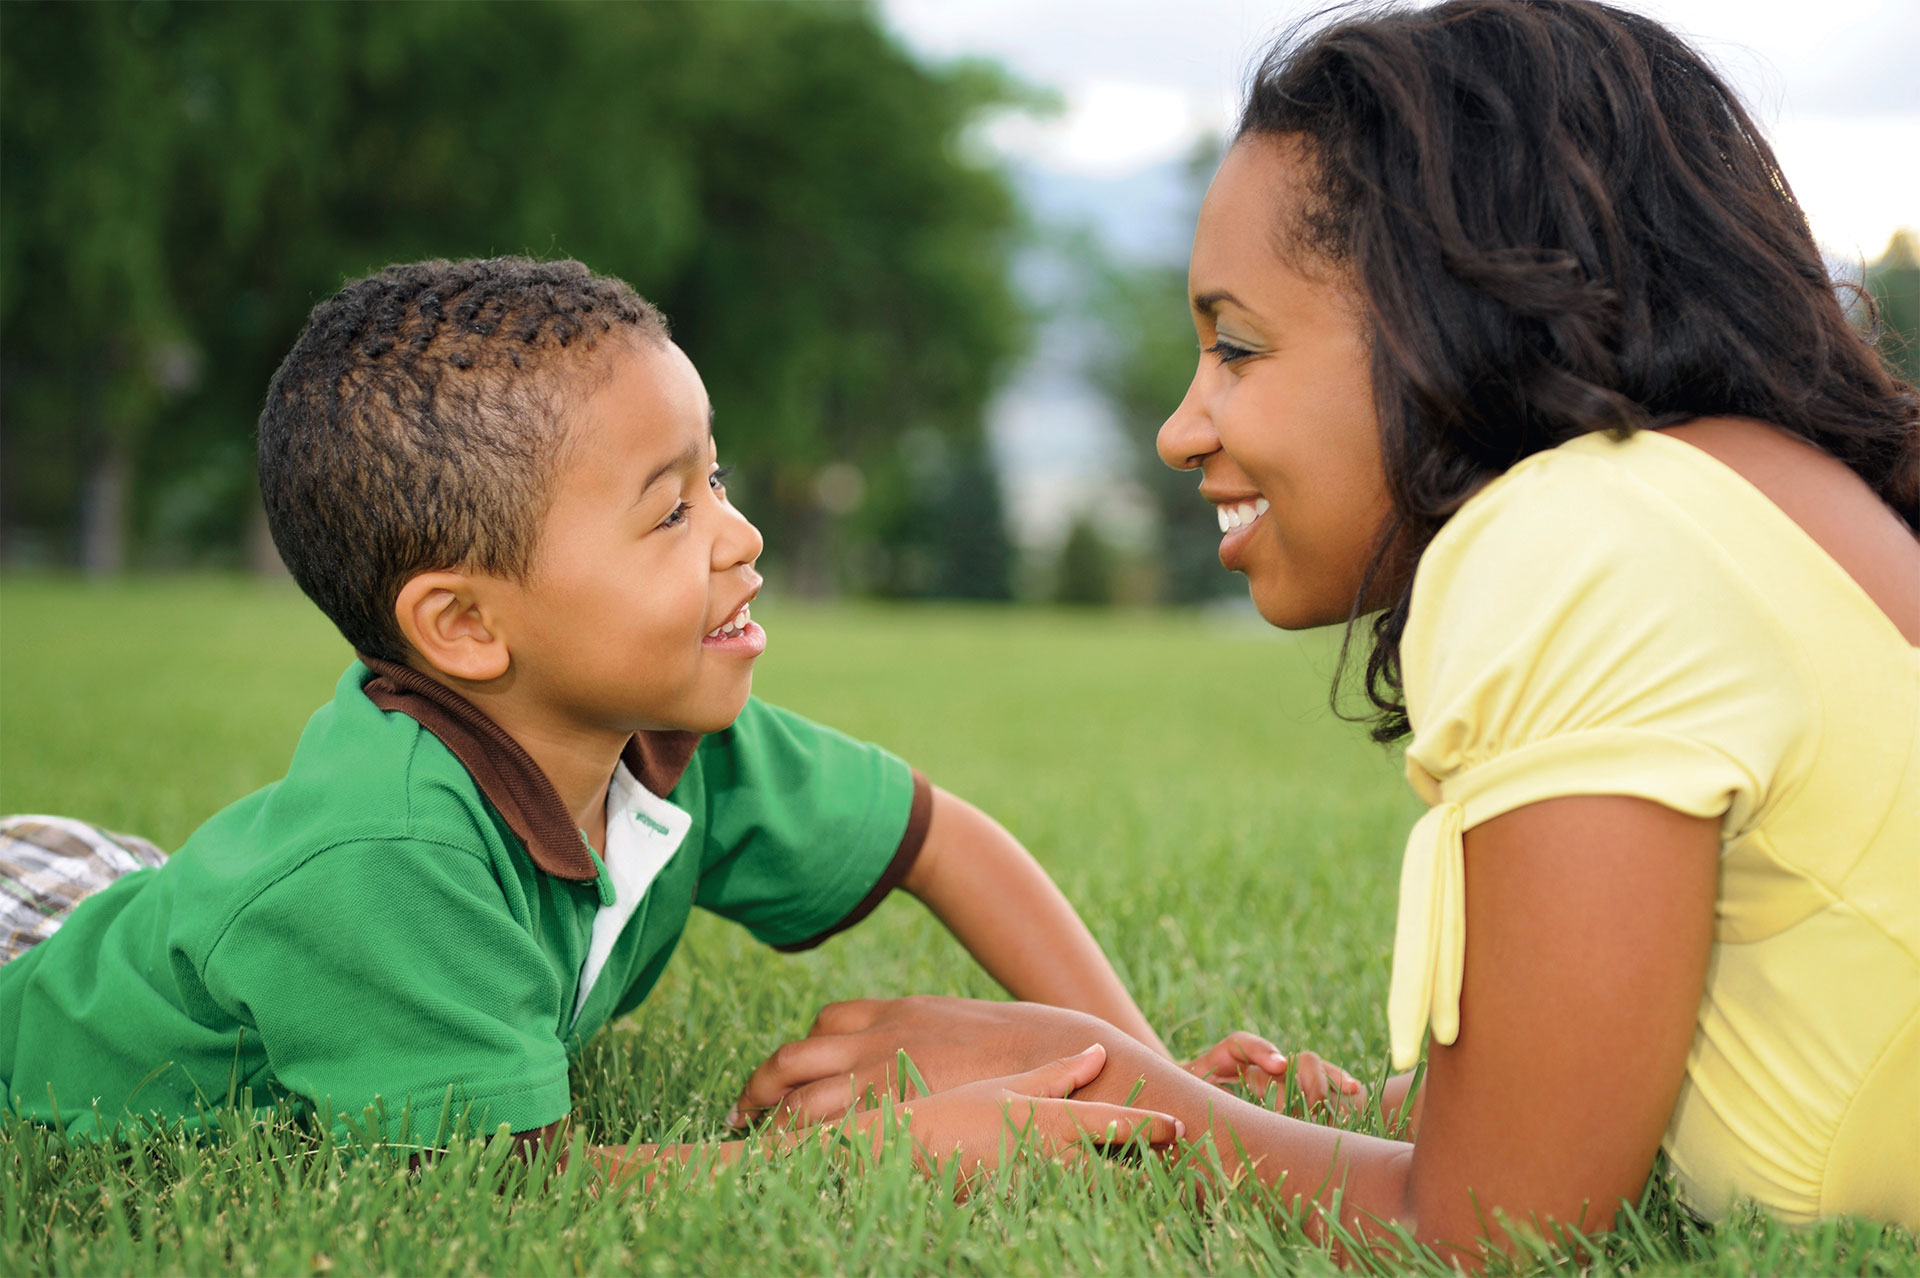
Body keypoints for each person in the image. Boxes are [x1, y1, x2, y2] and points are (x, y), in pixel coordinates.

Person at [727, 0, 1920, 1257]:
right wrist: (1323, 1114)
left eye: (1236, 347)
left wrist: (1095, 1081)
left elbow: (1493, 1230)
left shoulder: (1583, 535)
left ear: (1456, 312)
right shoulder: (1747, 488)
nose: (1180, 429)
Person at [0, 257, 1336, 1172]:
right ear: (465, 626)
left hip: (135, 891)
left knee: (175, 908)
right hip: (35, 981)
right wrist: (908, 1142)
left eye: (719, 477)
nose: (742, 537)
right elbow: (522, 1189)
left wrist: (1153, 1076)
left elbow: (947, 843)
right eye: (671, 510)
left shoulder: (672, 731)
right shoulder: (388, 860)